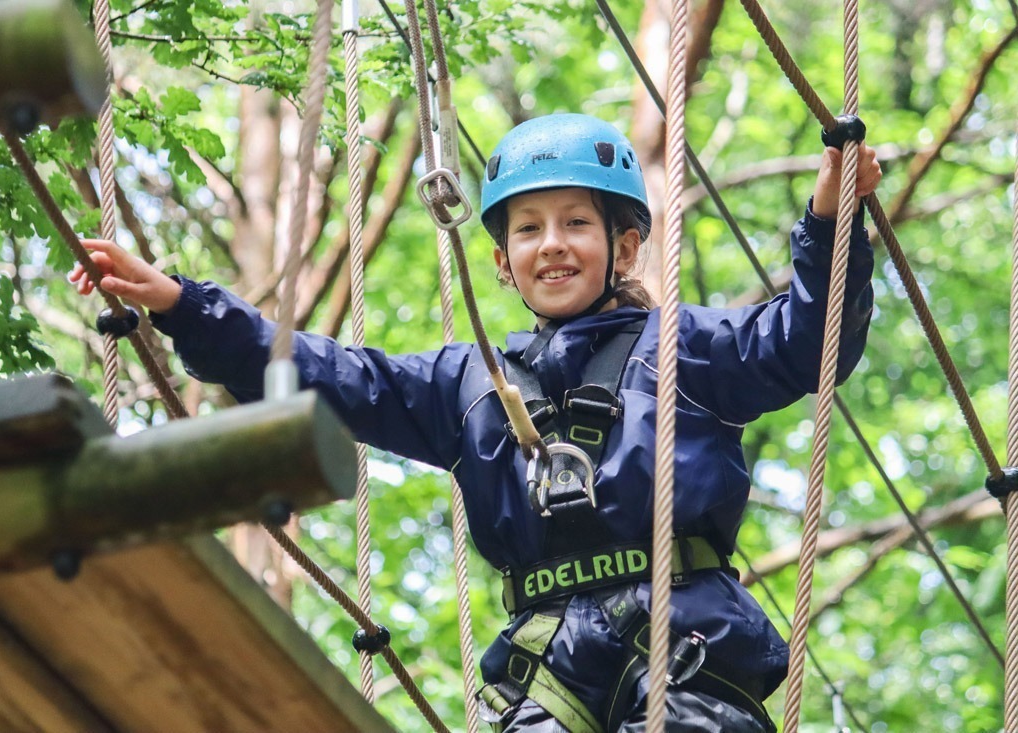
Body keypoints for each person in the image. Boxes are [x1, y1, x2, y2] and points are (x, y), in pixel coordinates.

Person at [72, 113, 882, 732]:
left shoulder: (688, 350)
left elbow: (807, 343)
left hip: (686, 637)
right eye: (527, 229)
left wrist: (827, 225)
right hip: (547, 663)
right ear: (501, 261)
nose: (551, 245)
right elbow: (331, 377)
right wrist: (185, 307)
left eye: (575, 223)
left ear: (625, 245)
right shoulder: (465, 384)